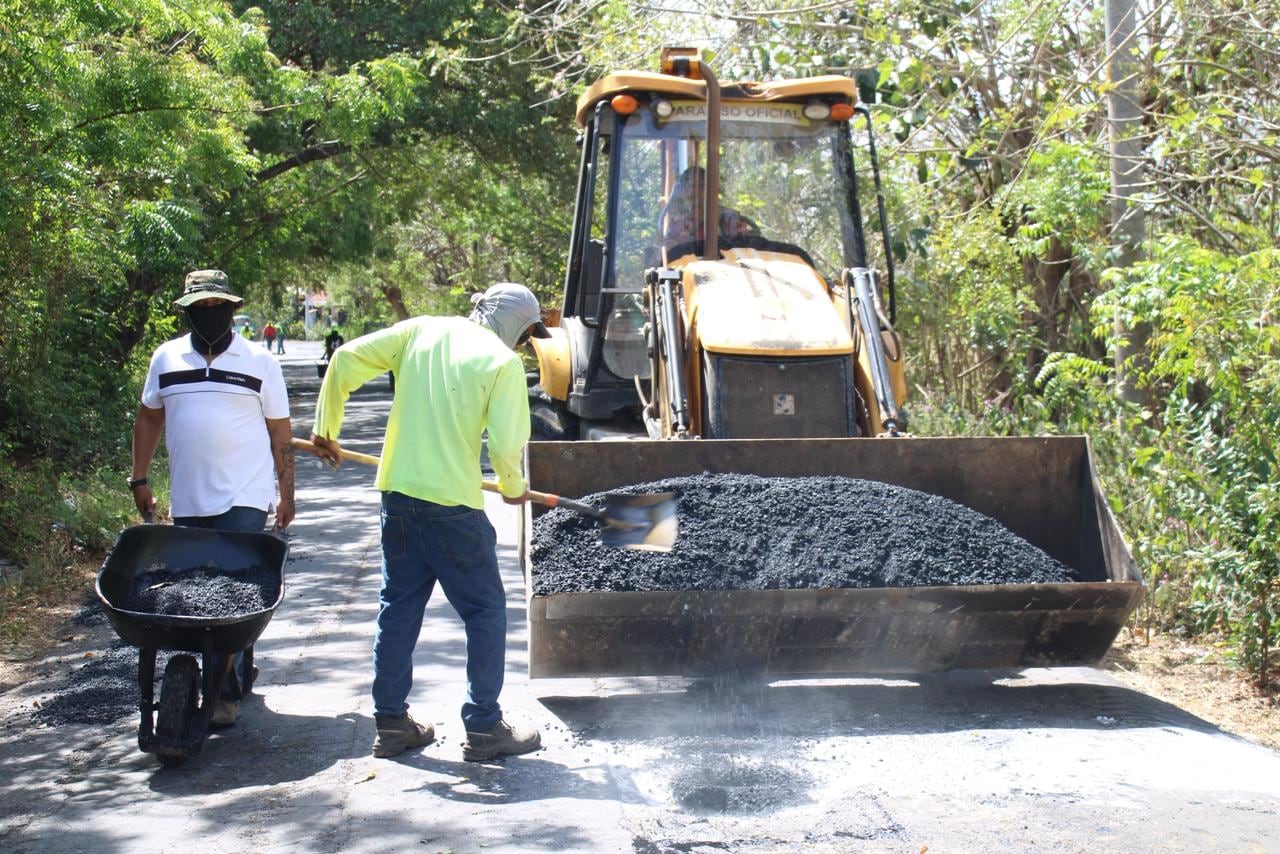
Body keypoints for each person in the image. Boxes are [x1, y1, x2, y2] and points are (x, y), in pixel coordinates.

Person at [305, 282, 550, 761]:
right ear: (514, 326)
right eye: (524, 335)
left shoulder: (420, 330)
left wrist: (325, 429)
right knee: (484, 612)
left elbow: (344, 361)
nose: (522, 344)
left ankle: (393, 724)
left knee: (397, 608)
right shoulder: (502, 365)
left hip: (397, 497)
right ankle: (484, 727)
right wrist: (513, 484)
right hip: (453, 508)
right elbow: (504, 447)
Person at [130, 269, 296, 727]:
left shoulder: (260, 361)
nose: (209, 314)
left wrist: (286, 493)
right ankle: (236, 671)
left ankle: (220, 694)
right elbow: (148, 420)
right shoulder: (166, 358)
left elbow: (280, 431)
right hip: (188, 498)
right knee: (203, 595)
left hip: (245, 493)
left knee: (237, 590)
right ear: (186, 311)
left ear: (231, 309)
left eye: (216, 306)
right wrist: (139, 479)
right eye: (199, 307)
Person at [662, 165, 757, 248]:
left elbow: (748, 245)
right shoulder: (677, 225)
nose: (696, 191)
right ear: (683, 192)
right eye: (691, 186)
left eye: (701, 186)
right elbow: (667, 253)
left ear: (710, 189)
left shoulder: (729, 218)